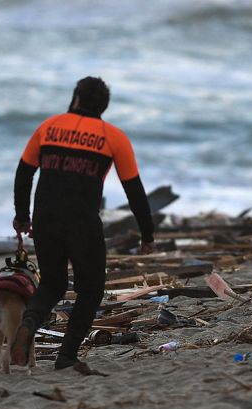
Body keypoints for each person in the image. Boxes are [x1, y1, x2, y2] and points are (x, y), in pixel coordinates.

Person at [10, 76, 155, 371]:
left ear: (76, 98)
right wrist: (147, 233)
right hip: (82, 222)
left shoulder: (48, 128)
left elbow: (24, 173)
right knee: (91, 289)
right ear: (103, 105)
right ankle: (66, 356)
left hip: (45, 217)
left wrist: (22, 216)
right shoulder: (113, 137)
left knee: (52, 283)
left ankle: (29, 322)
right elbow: (134, 190)